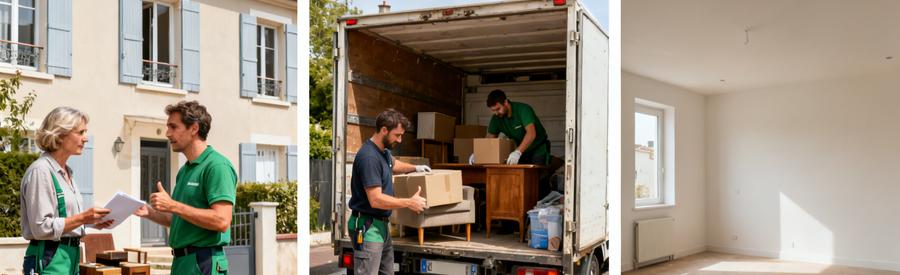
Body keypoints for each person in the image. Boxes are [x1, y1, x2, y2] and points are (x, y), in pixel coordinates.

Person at [134, 101, 237, 275]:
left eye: (173, 127)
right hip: (182, 262)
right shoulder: (185, 170)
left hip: (203, 262)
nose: (167, 133)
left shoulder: (217, 166)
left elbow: (222, 221)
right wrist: (149, 212)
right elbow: (178, 220)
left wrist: (172, 205)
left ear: (194, 128)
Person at [21, 107, 113, 274]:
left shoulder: (66, 173)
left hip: (71, 257)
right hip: (49, 256)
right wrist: (83, 217)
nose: (85, 138)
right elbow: (41, 227)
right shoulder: (41, 171)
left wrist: (91, 222)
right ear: (60, 135)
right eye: (80, 132)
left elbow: (63, 219)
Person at [349, 109, 431, 275]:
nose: (400, 140)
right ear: (384, 130)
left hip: (381, 226)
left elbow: (394, 164)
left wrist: (415, 168)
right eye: (397, 135)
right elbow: (376, 200)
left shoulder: (383, 153)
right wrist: (409, 202)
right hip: (368, 228)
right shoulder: (369, 157)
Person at [469, 89, 551, 166]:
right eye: (493, 110)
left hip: (537, 148)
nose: (496, 113)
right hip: (522, 149)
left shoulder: (523, 110)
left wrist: (517, 152)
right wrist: (479, 153)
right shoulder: (496, 118)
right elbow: (490, 138)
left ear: (505, 102)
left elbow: (531, 134)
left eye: (498, 109)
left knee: (536, 172)